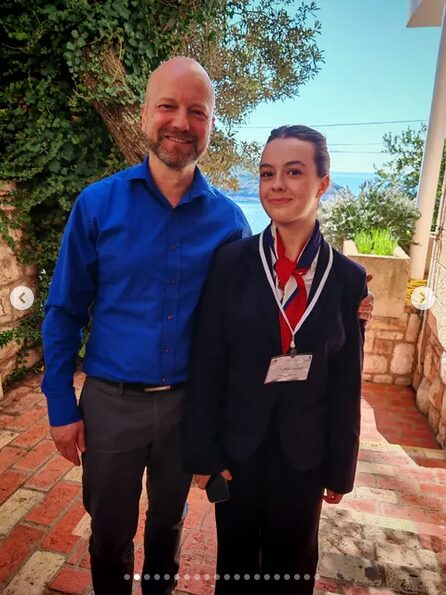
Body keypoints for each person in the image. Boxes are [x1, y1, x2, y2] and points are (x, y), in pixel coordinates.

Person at [41, 57, 373, 595]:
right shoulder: (97, 205)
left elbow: (266, 298)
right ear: (145, 114)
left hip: (186, 407)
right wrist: (60, 403)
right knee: (108, 533)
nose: (181, 122)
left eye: (197, 111)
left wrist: (346, 299)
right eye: (168, 107)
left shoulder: (228, 221)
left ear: (211, 124)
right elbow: (64, 309)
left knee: (168, 527)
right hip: (110, 404)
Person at [185, 124, 367, 595]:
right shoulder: (230, 263)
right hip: (237, 452)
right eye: (268, 174)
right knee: (236, 571)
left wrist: (340, 466)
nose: (277, 185)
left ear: (323, 183)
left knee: (292, 570)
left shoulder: (348, 279)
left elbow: (347, 381)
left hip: (306, 458)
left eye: (294, 172)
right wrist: (205, 453)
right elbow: (207, 364)